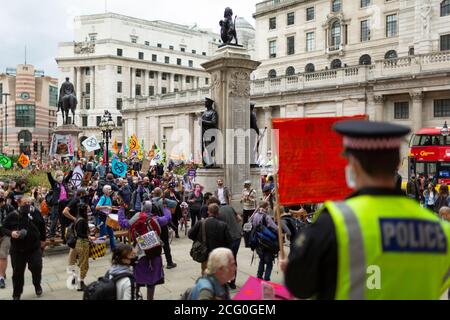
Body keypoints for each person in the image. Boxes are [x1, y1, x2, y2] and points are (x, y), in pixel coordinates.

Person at [282, 120, 450, 300]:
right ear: (397, 163)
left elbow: (300, 286)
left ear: (354, 164)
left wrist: (292, 267)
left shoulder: (336, 223)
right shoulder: (440, 231)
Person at [118, 201, 172, 300]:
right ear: (151, 209)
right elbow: (168, 218)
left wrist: (121, 209)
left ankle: (136, 296)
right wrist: (165, 208)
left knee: (138, 278)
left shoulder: (136, 217)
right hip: (154, 253)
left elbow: (123, 223)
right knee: (151, 280)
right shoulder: (156, 219)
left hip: (139, 252)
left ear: (142, 208)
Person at [2, 197, 46, 300]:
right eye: (25, 203)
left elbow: (42, 225)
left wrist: (43, 240)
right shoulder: (12, 216)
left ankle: (37, 284)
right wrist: (11, 233)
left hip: (34, 248)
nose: (27, 205)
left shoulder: (35, 213)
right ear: (19, 204)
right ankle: (16, 293)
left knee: (37, 267)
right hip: (18, 250)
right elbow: (3, 228)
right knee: (17, 273)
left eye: (29, 203)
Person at [188, 203, 233, 275]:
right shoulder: (223, 225)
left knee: (205, 273)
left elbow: (190, 235)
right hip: (218, 255)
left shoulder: (201, 223)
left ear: (208, 212)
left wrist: (199, 240)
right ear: (218, 212)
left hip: (204, 254)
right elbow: (229, 241)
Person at [67, 202, 93, 291]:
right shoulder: (82, 220)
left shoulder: (78, 219)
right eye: (87, 210)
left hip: (80, 243)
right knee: (84, 264)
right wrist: (89, 237)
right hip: (82, 243)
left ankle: (78, 280)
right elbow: (80, 234)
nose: (89, 212)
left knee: (81, 263)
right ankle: (80, 283)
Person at [250, 201, 278, 282]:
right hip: (267, 242)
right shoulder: (266, 216)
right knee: (269, 262)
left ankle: (259, 276)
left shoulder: (255, 215)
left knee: (261, 259)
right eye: (268, 206)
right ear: (266, 207)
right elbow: (275, 227)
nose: (268, 207)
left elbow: (253, 226)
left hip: (258, 241)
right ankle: (266, 279)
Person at [218, 202, 242, 289]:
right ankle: (233, 282)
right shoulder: (230, 207)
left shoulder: (218, 212)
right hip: (237, 236)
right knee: (233, 259)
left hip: (228, 239)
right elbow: (239, 219)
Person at [151, 188, 177, 269]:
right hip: (163, 225)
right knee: (165, 244)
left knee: (155, 245)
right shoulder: (163, 201)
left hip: (153, 225)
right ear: (161, 193)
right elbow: (174, 203)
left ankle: (158, 263)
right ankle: (169, 262)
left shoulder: (150, 201)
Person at [47, 168, 73, 243]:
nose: (60, 177)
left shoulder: (64, 182)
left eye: (61, 175)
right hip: (57, 205)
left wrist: (72, 169)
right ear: (56, 177)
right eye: (59, 175)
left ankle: (63, 235)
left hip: (64, 204)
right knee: (54, 220)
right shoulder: (54, 184)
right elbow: (50, 178)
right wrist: (48, 171)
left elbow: (69, 176)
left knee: (63, 221)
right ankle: (51, 235)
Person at [0, 190, 15, 289]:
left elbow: (14, 223)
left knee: (2, 255)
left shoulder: (9, 208)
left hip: (5, 235)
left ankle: (1, 277)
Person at [95, 185, 116, 250]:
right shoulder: (103, 198)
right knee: (102, 235)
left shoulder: (109, 197)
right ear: (105, 191)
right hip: (102, 218)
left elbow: (109, 206)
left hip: (108, 218)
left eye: (110, 189)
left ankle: (113, 248)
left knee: (111, 234)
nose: (110, 191)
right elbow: (97, 207)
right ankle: (100, 250)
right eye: (109, 189)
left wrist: (112, 207)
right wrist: (106, 207)